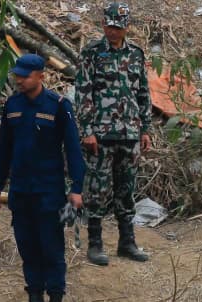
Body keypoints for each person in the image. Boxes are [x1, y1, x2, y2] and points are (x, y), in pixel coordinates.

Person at [0, 54, 86, 302]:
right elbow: (4, 147)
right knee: (28, 248)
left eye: (25, 75)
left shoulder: (58, 106)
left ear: (40, 75)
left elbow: (73, 150)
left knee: (51, 249)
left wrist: (76, 188)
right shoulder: (13, 105)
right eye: (17, 75)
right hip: (20, 191)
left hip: (48, 191)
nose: (19, 79)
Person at [75, 2, 152, 265]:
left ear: (126, 27)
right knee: (97, 189)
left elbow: (143, 93)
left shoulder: (136, 55)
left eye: (117, 27)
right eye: (108, 26)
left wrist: (145, 129)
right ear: (103, 24)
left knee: (126, 189)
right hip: (101, 134)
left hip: (130, 133)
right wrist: (87, 130)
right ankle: (95, 243)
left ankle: (126, 242)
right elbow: (83, 94)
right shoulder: (92, 53)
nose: (112, 31)